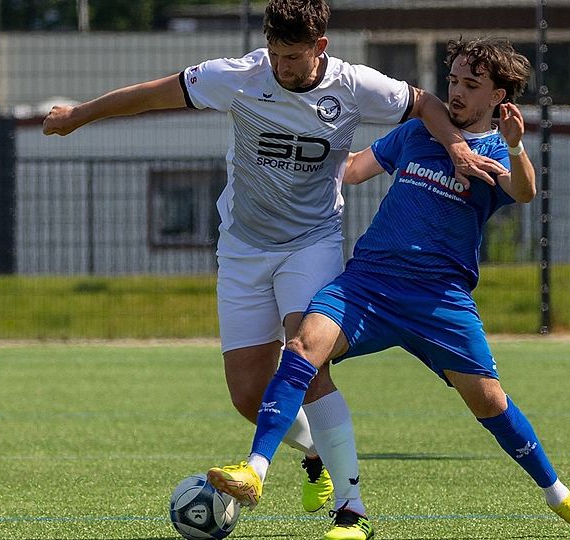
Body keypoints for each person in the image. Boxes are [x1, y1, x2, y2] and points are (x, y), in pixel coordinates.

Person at [43, 0, 505, 519]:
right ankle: (315, 455)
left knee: (306, 359)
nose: (282, 67)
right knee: (246, 395)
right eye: (275, 53)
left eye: (294, 56)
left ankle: (351, 508)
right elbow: (154, 94)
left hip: (312, 242)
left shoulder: (354, 86)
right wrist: (79, 115)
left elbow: (424, 103)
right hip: (241, 248)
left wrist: (457, 149)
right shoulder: (239, 77)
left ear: (320, 48)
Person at [207, 37, 570, 540]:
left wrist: (514, 144)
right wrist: (301, 144)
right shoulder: (418, 133)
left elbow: (523, 191)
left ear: (499, 98)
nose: (457, 93)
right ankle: (264, 473)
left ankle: (563, 499)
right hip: (369, 282)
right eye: (453, 81)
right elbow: (352, 170)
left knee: (489, 401)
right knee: (303, 348)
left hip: (439, 300)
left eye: (471, 85)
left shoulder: (493, 151)